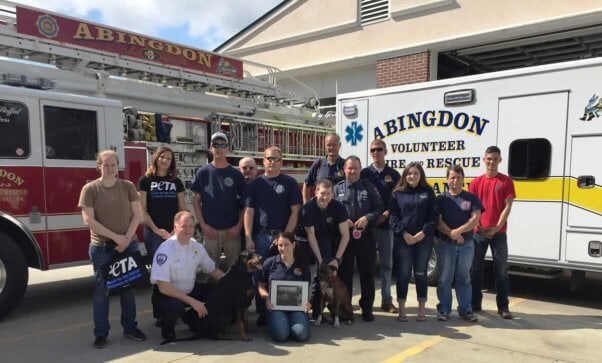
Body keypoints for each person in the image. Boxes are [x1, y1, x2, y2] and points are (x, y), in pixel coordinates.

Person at [79, 150, 146, 349]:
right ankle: (101, 334)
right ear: (99, 166)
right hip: (102, 248)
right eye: (105, 165)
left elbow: (137, 215)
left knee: (128, 289)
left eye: (113, 165)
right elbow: (88, 220)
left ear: (118, 166)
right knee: (102, 291)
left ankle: (130, 328)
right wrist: (116, 238)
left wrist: (126, 239)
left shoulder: (128, 187)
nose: (109, 168)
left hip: (128, 245)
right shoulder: (90, 189)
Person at [244, 146, 302, 326]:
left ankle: (284, 308)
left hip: (282, 238)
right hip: (260, 237)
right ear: (263, 161)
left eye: (276, 159)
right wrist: (248, 237)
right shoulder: (255, 184)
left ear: (281, 161)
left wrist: (286, 237)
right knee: (259, 275)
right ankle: (263, 312)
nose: (272, 162)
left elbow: (295, 211)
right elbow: (249, 211)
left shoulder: (289, 183)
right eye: (269, 158)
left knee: (283, 273)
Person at [150, 211, 225, 340]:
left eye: (191, 226)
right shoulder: (165, 250)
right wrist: (193, 302)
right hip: (167, 294)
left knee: (219, 292)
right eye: (184, 226)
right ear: (175, 227)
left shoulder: (196, 247)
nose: (188, 230)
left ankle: (191, 319)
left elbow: (213, 271)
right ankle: (167, 329)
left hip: (189, 289)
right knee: (175, 308)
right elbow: (163, 287)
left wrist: (232, 281)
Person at [334, 155, 384, 322]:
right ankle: (346, 309)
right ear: (344, 170)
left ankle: (367, 308)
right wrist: (342, 220)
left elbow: (379, 207)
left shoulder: (368, 187)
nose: (353, 171)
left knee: (367, 274)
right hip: (345, 240)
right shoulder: (337, 188)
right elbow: (331, 210)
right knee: (345, 275)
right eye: (350, 168)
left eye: (356, 168)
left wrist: (368, 218)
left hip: (366, 238)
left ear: (360, 170)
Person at [469, 146, 516, 319]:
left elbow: (508, 207)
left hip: (499, 233)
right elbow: (473, 208)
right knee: (475, 270)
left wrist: (496, 227)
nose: (491, 162)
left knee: (501, 270)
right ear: (484, 159)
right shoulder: (475, 183)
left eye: (495, 159)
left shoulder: (506, 182)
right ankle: (475, 303)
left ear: (500, 160)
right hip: (478, 232)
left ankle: (503, 307)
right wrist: (480, 226)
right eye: (488, 158)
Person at [389, 162, 437, 322]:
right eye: (409, 173)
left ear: (420, 175)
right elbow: (393, 217)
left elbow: (433, 217)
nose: (412, 176)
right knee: (403, 274)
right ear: (405, 175)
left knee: (421, 274)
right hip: (403, 240)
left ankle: (421, 308)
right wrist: (403, 233)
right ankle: (401, 308)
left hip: (423, 240)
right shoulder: (397, 193)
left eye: (416, 173)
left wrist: (423, 233)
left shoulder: (428, 192)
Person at [191, 132, 246, 271]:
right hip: (210, 231)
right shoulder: (202, 172)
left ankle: (231, 293)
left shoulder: (236, 174)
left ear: (228, 148)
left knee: (234, 270)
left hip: (232, 231)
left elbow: (246, 204)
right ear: (211, 147)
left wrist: (238, 227)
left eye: (223, 145)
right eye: (216, 145)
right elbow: (196, 202)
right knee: (209, 270)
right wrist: (203, 226)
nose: (220, 148)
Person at [435, 165, 482, 322]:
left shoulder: (471, 198)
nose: (455, 180)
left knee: (464, 278)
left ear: (463, 179)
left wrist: (459, 232)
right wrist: (452, 234)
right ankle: (444, 309)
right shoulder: (441, 199)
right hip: (446, 244)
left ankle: (465, 310)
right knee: (445, 279)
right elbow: (437, 221)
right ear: (447, 180)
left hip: (466, 245)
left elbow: (475, 218)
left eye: (458, 177)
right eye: (452, 177)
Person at [360, 139, 401, 314]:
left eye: (379, 149)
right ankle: (366, 301)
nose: (376, 152)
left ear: (385, 151)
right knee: (366, 265)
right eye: (373, 150)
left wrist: (388, 213)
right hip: (368, 225)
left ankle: (386, 300)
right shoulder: (364, 173)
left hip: (386, 226)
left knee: (386, 265)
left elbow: (399, 199)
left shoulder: (394, 175)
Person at [301, 179, 350, 318]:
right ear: (316, 191)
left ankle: (319, 313)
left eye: (329, 194)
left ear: (332, 194)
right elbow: (311, 235)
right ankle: (303, 310)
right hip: (306, 240)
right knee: (308, 276)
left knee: (325, 278)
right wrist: (320, 260)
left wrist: (336, 259)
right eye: (322, 193)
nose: (325, 197)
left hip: (325, 239)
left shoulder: (338, 207)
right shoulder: (307, 209)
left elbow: (345, 235)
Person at [257, 231, 312, 342]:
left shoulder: (303, 264)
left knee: (302, 335)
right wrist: (267, 299)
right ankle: (280, 323)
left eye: (286, 244)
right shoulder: (269, 263)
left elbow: (307, 287)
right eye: (280, 245)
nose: (283, 248)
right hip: (275, 308)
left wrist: (308, 302)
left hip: (296, 308)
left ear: (294, 244)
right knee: (281, 336)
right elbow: (261, 285)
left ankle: (289, 323)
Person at [138, 146, 186, 261]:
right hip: (153, 233)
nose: (165, 160)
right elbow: (142, 209)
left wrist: (176, 230)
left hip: (174, 231)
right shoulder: (145, 180)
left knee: (175, 265)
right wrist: (156, 230)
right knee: (159, 266)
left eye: (168, 159)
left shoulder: (176, 182)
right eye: (162, 157)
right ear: (156, 158)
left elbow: (183, 209)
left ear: (172, 162)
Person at [302, 133, 345, 203]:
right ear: (325, 146)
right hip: (319, 208)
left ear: (339, 145)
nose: (331, 147)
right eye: (329, 145)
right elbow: (306, 184)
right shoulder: (318, 164)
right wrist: (305, 203)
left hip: (338, 208)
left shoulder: (345, 165)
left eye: (334, 145)